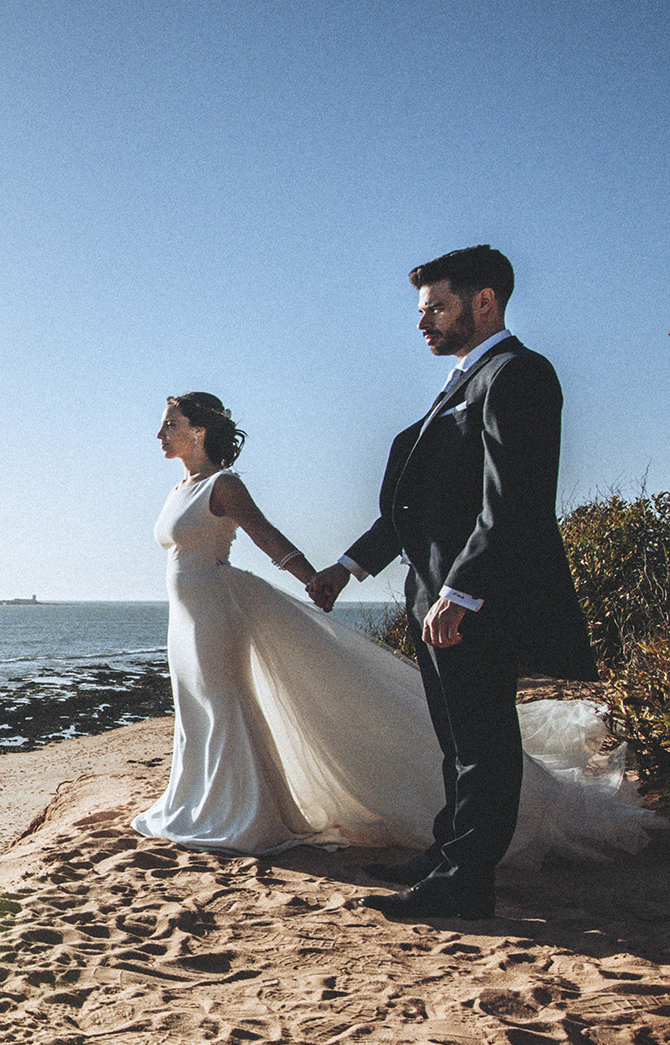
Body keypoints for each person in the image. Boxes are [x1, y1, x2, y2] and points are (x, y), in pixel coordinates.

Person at [132, 388, 658, 886]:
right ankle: (194, 800)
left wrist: (313, 575)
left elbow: (265, 535)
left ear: (199, 431)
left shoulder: (223, 485)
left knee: (223, 702)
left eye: (169, 424)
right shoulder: (178, 487)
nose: (160, 433)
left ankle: (237, 813)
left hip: (216, 607)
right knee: (194, 703)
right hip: (185, 609)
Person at [307, 246, 604, 920]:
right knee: (456, 742)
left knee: (484, 744)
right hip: (433, 595)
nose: (424, 322)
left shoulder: (517, 374)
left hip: (474, 599)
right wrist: (348, 568)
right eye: (422, 310)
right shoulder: (465, 379)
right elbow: (424, 503)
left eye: (437, 307)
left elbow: (516, 501)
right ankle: (449, 852)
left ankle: (468, 882)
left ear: (485, 302)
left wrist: (463, 590)